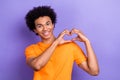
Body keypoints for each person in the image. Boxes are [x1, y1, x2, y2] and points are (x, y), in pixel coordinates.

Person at [25, 6, 99, 80]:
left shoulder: (70, 47)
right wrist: (56, 42)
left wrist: (87, 42)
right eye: (39, 26)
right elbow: (37, 66)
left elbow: (94, 72)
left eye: (47, 24)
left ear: (53, 25)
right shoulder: (31, 49)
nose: (45, 28)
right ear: (35, 30)